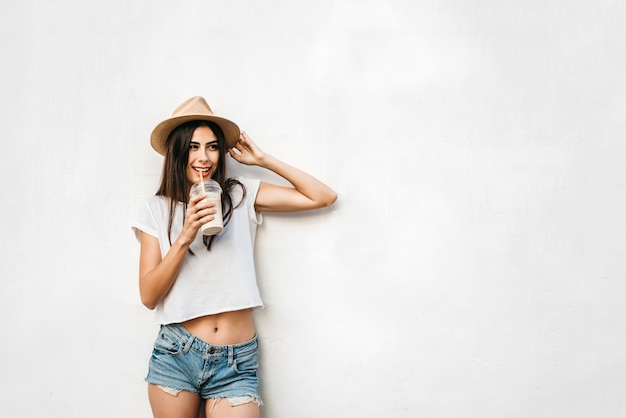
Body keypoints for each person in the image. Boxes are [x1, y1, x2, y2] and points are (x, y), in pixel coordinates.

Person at [132, 96, 337, 418]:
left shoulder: (239, 193)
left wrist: (264, 160)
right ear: (177, 151)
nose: (204, 157)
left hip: (236, 359)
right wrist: (185, 236)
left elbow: (323, 196)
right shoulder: (156, 209)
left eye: (212, 147)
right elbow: (149, 295)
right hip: (177, 353)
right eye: (193, 147)